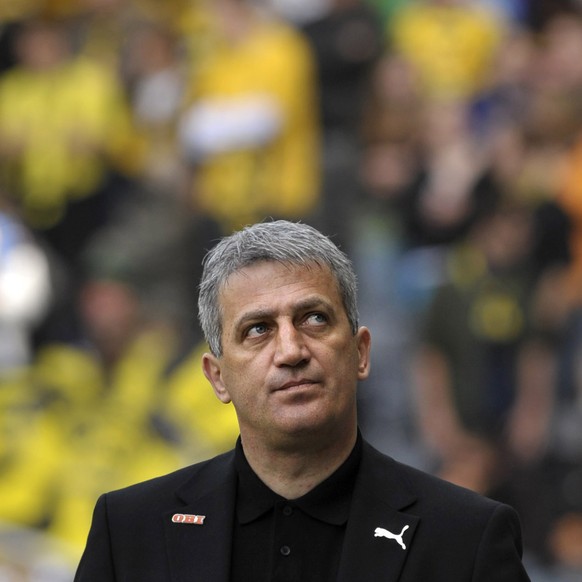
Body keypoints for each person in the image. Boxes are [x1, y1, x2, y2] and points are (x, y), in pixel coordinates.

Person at [74, 219, 530, 581]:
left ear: (360, 353)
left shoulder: (466, 537)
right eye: (258, 329)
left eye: (313, 319)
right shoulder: (129, 531)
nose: (291, 350)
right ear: (217, 377)